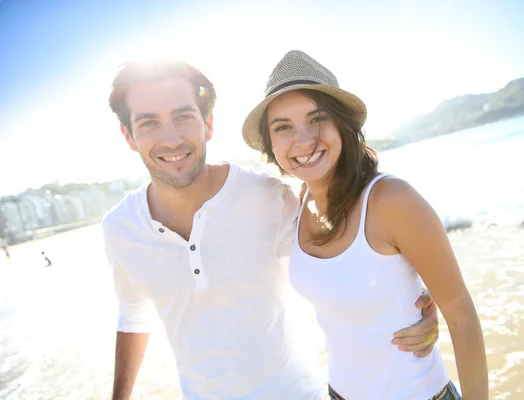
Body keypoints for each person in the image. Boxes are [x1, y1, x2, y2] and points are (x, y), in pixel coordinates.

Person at [104, 60, 441, 399]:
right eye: (149, 122)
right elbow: (133, 313)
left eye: (183, 117)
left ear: (207, 124)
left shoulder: (268, 196)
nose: (171, 138)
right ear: (128, 136)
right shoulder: (120, 228)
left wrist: (418, 301)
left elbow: (349, 250)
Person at [241, 50, 488, 400]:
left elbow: (462, 317)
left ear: (342, 124)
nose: (304, 139)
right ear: (271, 144)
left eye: (317, 119)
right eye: (283, 127)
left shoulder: (391, 200)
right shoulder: (295, 203)